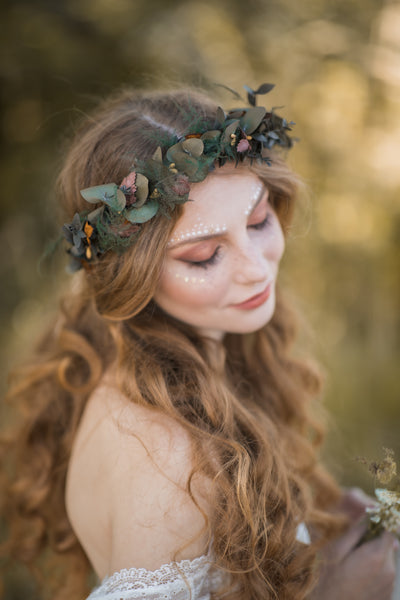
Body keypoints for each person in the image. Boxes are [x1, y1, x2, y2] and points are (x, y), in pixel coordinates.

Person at [0, 84, 398, 600]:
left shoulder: (199, 358)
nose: (257, 270)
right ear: (132, 276)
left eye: (258, 221)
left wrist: (316, 539)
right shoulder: (166, 456)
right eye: (205, 255)